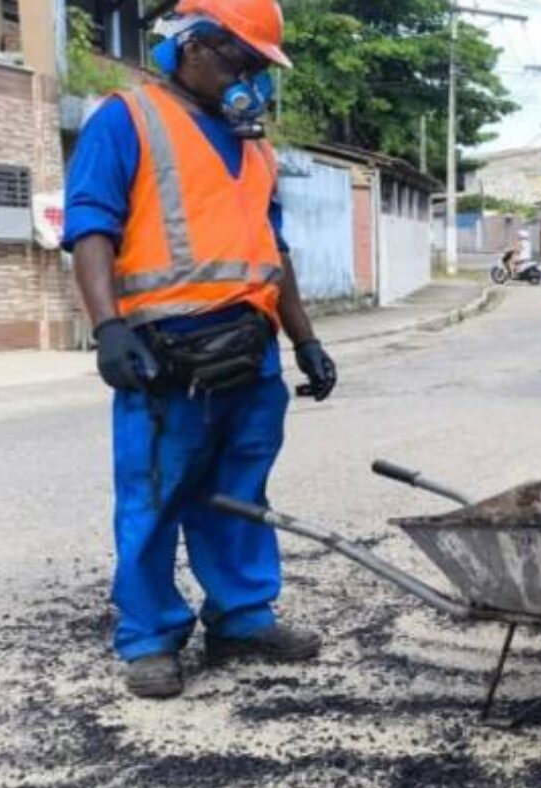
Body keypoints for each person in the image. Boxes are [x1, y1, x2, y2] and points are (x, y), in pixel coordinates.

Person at [63, 0, 337, 699]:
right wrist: (108, 328)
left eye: (259, 67)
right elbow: (91, 226)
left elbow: (274, 253)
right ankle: (150, 637)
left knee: (239, 493)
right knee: (154, 496)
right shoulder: (128, 119)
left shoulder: (255, 146)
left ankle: (243, 617)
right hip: (166, 352)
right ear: (195, 47)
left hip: (251, 350)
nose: (254, 80)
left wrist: (305, 340)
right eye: (242, 61)